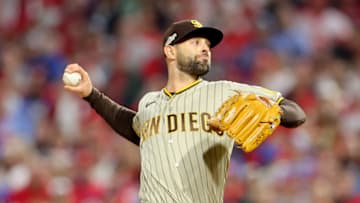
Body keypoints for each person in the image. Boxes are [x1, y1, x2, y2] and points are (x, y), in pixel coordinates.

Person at [63, 19, 306, 203]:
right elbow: (135, 127)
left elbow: (296, 112)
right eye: (195, 42)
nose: (205, 49)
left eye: (207, 45)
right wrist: (91, 94)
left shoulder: (224, 91)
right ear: (170, 50)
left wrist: (277, 113)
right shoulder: (149, 102)